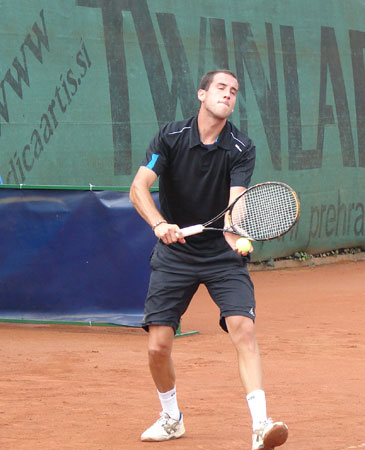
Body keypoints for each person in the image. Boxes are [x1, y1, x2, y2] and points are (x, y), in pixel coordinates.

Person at [129, 69, 288, 449]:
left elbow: (237, 201)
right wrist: (159, 224)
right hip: (174, 255)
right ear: (202, 94)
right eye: (221, 88)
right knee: (158, 346)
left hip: (221, 256)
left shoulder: (241, 146)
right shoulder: (170, 137)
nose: (228, 94)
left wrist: (233, 231)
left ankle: (260, 425)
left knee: (243, 329)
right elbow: (138, 187)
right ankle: (171, 418)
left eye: (234, 91)